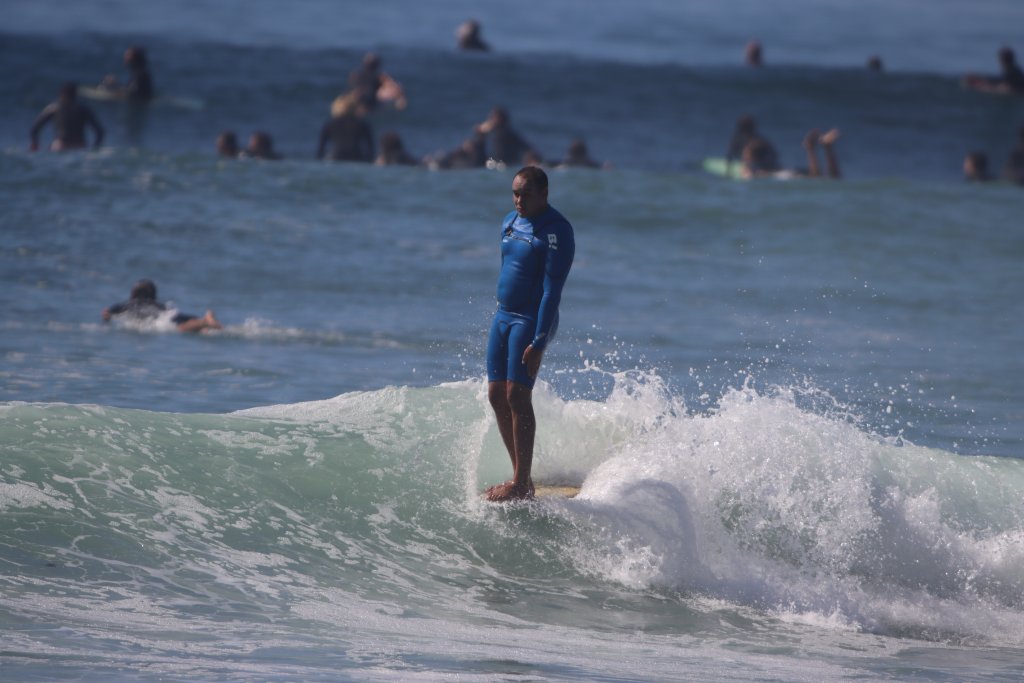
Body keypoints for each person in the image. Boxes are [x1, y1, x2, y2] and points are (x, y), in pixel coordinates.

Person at [484, 167, 575, 502]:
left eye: (525, 194)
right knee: (496, 395)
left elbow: (553, 290)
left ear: (544, 194)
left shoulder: (557, 231)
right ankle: (520, 476)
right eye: (515, 193)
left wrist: (539, 341)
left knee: (517, 396)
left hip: (531, 320)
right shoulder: (509, 221)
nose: (518, 200)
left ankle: (521, 484)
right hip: (503, 316)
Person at [102, 279, 222, 333]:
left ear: (134, 294)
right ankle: (205, 320)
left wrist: (106, 316)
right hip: (167, 313)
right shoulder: (160, 305)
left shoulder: (128, 305)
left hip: (158, 319)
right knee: (185, 320)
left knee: (180, 328)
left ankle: (204, 323)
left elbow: (108, 313)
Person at [29, 82, 104, 152]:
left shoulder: (54, 108)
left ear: (61, 94)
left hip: (60, 145)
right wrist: (95, 147)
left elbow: (35, 128)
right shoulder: (83, 109)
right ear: (75, 95)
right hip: (79, 145)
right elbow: (100, 131)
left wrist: (35, 144)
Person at [741, 128, 842, 180]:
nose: (744, 161)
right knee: (832, 179)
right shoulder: (766, 165)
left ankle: (812, 149)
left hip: (786, 176)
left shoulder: (757, 173)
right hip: (790, 172)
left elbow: (750, 176)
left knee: (819, 179)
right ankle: (826, 148)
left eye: (746, 158)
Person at [317, 94, 375, 162]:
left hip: (336, 156)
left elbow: (320, 149)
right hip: (357, 157)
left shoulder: (330, 124)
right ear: (354, 107)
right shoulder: (362, 124)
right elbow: (370, 148)